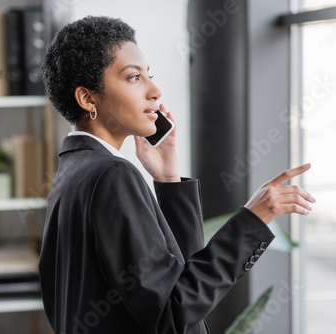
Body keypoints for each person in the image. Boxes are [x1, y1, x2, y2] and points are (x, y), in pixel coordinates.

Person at [38, 16, 315, 334]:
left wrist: (169, 181)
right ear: (87, 98)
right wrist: (252, 220)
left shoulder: (72, 171)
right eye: (133, 78)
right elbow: (171, 313)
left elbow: (171, 284)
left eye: (149, 76)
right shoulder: (112, 174)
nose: (155, 91)